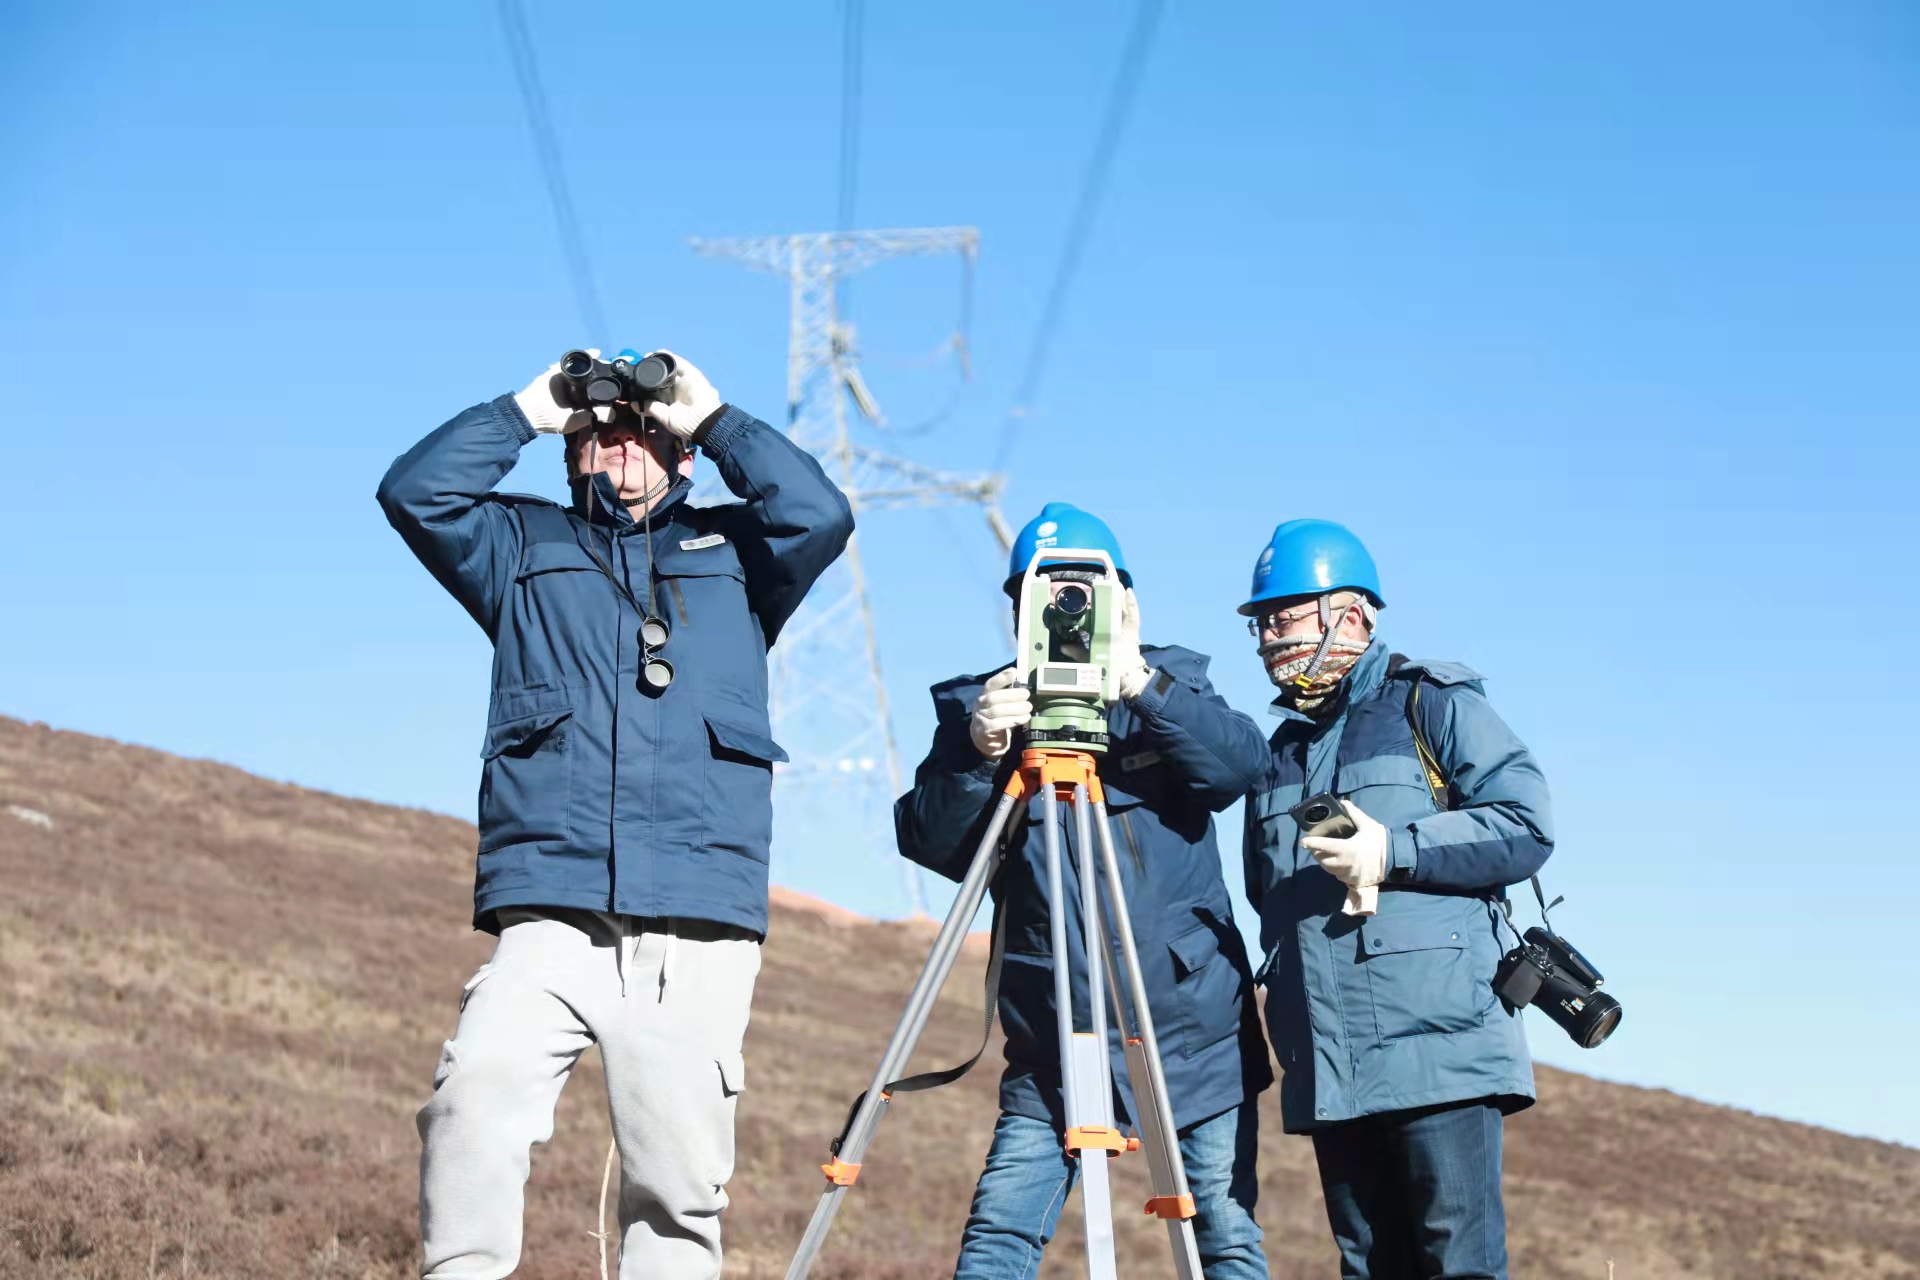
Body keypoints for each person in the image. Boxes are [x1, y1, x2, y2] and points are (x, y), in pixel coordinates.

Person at [375, 351, 853, 1280]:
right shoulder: (518, 547)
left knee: (677, 1184)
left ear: (684, 460)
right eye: (597, 427)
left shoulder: (742, 558)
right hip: (553, 905)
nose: (618, 438)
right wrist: (529, 407)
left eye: (643, 427)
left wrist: (715, 419)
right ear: (569, 451)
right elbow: (414, 493)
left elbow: (819, 514)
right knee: (474, 1095)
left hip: (695, 915)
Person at [895, 503, 1273, 1280]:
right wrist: (977, 752)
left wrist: (1142, 684)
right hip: (1054, 1037)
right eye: (1047, 590)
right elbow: (931, 843)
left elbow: (1239, 769)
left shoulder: (1175, 689)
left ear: (1124, 599)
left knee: (1224, 1236)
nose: (1069, 605)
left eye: (1086, 589)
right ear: (1017, 607)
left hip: (1193, 1031)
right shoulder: (985, 709)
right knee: (1000, 1231)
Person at [1235, 519, 1554, 1280]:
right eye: (1261, 623)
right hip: (1329, 1062)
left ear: (1348, 613)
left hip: (1440, 1050)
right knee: (1368, 1266)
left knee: (1458, 1266)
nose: (1269, 638)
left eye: (1284, 616)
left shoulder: (1431, 705)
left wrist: (1394, 850)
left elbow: (1525, 823)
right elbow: (1266, 896)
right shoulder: (1275, 754)